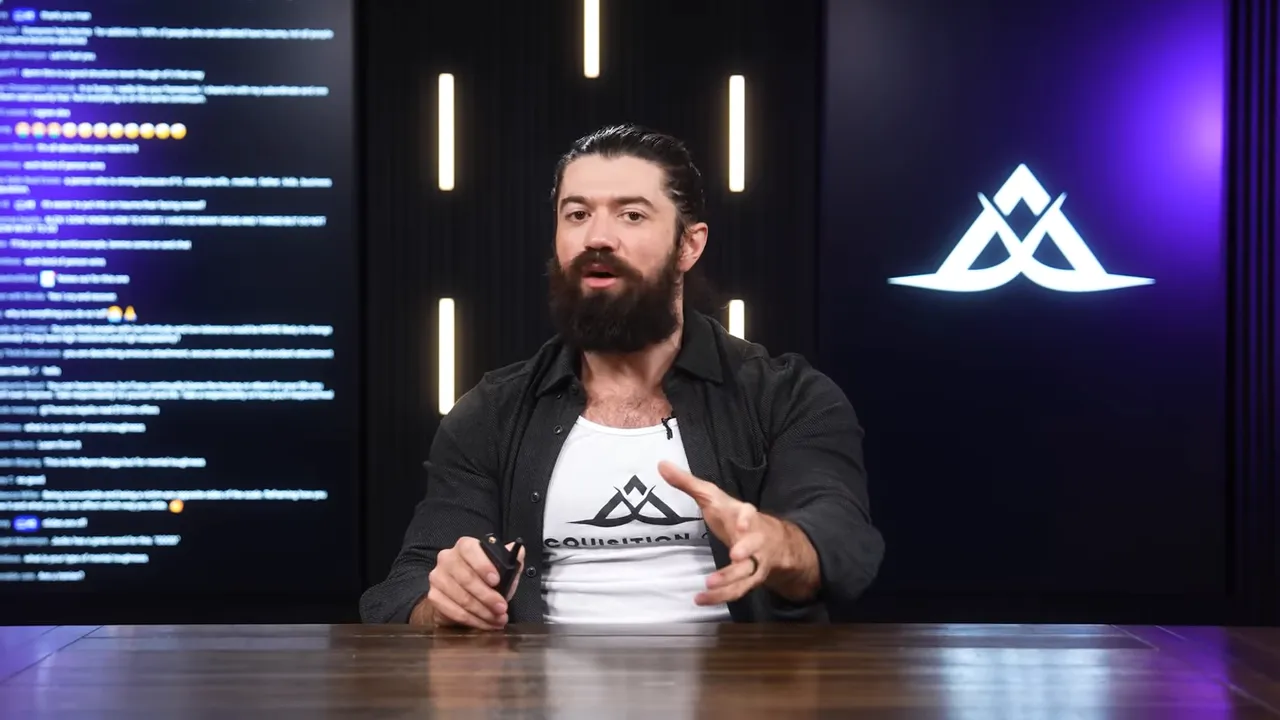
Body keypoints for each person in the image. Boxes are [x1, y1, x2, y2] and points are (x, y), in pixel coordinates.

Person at [360, 124, 884, 628]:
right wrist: (444, 601)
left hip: (738, 685)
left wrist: (777, 544)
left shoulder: (787, 396)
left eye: (632, 215)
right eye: (577, 214)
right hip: (539, 685)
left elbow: (842, 542)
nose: (598, 237)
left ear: (689, 245)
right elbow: (404, 588)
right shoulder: (491, 413)